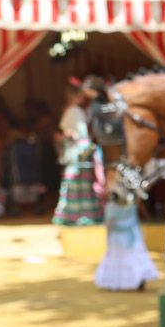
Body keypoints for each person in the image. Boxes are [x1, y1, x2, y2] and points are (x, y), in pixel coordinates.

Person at [52, 78, 102, 226]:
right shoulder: (74, 110)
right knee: (80, 182)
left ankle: (73, 214)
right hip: (79, 150)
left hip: (75, 150)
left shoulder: (70, 110)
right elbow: (78, 133)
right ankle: (83, 215)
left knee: (76, 183)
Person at [94, 199, 159, 291]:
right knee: (134, 259)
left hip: (121, 238)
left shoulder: (114, 207)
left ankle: (117, 282)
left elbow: (108, 225)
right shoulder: (130, 204)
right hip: (130, 237)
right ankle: (133, 280)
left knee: (121, 260)